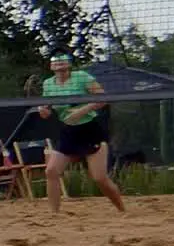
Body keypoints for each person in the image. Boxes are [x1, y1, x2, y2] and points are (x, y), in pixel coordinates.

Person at [38, 48, 125, 214]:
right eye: (55, 61)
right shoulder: (48, 84)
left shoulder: (82, 77)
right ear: (51, 66)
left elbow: (103, 98)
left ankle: (122, 210)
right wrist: (44, 111)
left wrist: (82, 110)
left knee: (99, 178)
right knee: (51, 171)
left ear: (69, 64)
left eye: (62, 60)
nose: (59, 63)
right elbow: (47, 109)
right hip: (68, 131)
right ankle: (54, 215)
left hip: (89, 129)